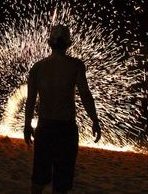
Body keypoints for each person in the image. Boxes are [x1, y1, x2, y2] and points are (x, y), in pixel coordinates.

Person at [24, 24, 101, 194]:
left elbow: (30, 101)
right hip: (66, 129)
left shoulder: (38, 68)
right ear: (69, 44)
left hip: (44, 128)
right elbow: (86, 95)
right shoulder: (76, 66)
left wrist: (27, 125)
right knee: (61, 183)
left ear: (49, 43)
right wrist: (95, 120)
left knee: (38, 178)